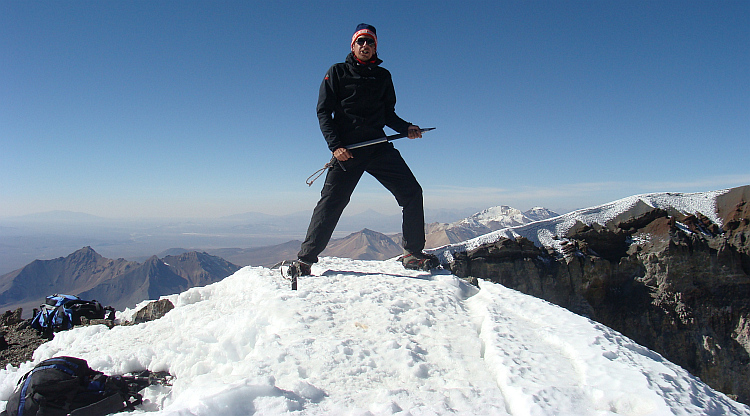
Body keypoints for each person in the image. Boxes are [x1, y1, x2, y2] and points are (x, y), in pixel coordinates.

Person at [288, 23, 439, 279]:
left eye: (370, 42)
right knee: (332, 203)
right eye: (361, 42)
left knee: (412, 192)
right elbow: (323, 111)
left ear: (375, 47)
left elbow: (388, 114)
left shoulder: (383, 76)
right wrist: (335, 146)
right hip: (347, 150)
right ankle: (305, 261)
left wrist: (407, 128)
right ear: (352, 45)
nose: (365, 46)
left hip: (378, 147)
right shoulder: (336, 72)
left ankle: (412, 253)